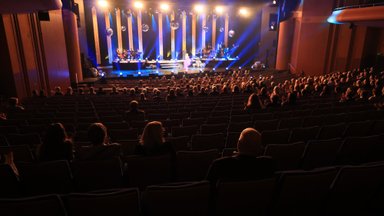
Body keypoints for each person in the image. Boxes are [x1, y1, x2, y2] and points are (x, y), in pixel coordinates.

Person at [206, 128, 275, 187]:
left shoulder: (219, 165)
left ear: (238, 144)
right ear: (259, 148)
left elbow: (207, 189)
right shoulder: (268, 165)